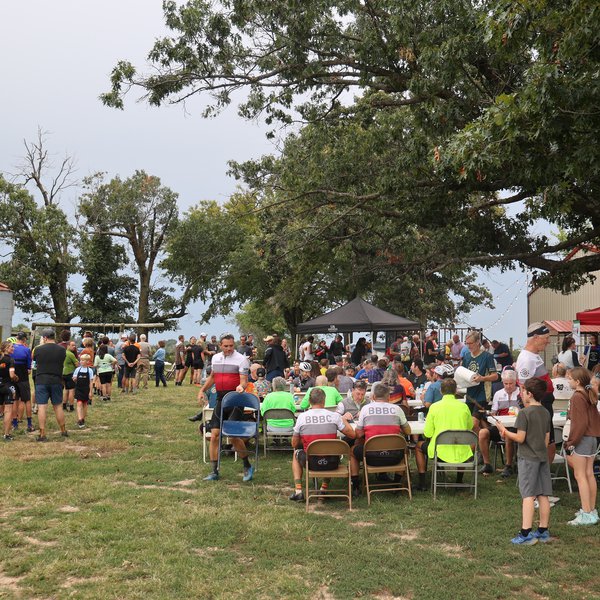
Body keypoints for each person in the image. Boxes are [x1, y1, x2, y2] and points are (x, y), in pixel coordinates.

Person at [496, 378, 552, 544]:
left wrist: (504, 431)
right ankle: (543, 530)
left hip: (528, 458)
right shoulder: (545, 412)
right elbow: (546, 439)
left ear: (530, 394)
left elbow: (520, 438)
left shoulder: (525, 413)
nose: (521, 393)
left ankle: (526, 533)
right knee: (543, 494)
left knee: (528, 495)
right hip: (542, 457)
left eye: (523, 391)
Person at [198, 334, 254, 482]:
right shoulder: (215, 358)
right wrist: (202, 390)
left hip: (236, 399)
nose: (229, 348)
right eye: (226, 346)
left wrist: (241, 387)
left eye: (231, 346)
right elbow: (212, 378)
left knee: (233, 436)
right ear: (220, 346)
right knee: (215, 434)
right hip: (221, 399)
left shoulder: (241, 360)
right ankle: (214, 471)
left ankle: (247, 465)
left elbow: (244, 381)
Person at [289, 387, 355, 501]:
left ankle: (298, 491)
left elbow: (294, 443)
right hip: (332, 462)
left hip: (310, 462)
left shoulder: (302, 417)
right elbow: (352, 435)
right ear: (324, 401)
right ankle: (323, 489)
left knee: (296, 452)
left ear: (310, 402)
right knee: (330, 450)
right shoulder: (335, 416)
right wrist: (343, 419)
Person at [350, 382, 412, 496]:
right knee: (405, 450)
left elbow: (358, 434)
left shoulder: (366, 409)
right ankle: (396, 484)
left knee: (353, 451)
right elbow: (408, 431)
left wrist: (368, 430)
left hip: (370, 457)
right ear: (389, 397)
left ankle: (355, 486)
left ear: (373, 397)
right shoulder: (397, 409)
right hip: (394, 456)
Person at [414, 378, 473, 491]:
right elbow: (469, 427)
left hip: (439, 451)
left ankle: (422, 482)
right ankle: (459, 481)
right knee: (463, 444)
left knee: (418, 446)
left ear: (441, 391)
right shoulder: (464, 407)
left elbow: (428, 433)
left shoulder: (434, 407)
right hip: (461, 451)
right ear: (456, 391)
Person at [516, 322, 556, 465]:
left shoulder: (534, 355)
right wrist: (529, 413)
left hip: (543, 404)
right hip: (539, 407)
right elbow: (524, 389)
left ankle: (544, 475)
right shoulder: (527, 359)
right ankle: (542, 476)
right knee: (548, 442)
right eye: (546, 338)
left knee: (549, 441)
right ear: (536, 337)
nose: (548, 341)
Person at [564, 367, 600, 525]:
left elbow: (580, 423)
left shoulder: (577, 396)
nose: (568, 381)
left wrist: (571, 442)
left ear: (577, 381)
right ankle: (591, 510)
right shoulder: (588, 394)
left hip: (583, 439)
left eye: (570, 378)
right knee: (588, 474)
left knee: (580, 476)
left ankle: (586, 513)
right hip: (592, 438)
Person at [479, 369, 521, 477]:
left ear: (515, 382)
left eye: (510, 383)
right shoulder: (498, 394)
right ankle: (487, 464)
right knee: (483, 433)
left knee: (508, 434)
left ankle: (508, 466)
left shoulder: (521, 393)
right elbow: (493, 412)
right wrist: (489, 414)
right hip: (500, 426)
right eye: (505, 383)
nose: (508, 386)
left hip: (516, 427)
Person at [34, 328, 68, 442]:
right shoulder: (62, 349)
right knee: (58, 406)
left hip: (41, 379)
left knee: (42, 406)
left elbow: (35, 360)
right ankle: (63, 430)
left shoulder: (38, 349)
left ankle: (42, 433)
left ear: (44, 338)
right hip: (56, 379)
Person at [462, 330, 498, 431]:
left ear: (478, 342)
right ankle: (482, 440)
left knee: (474, 423)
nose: (468, 346)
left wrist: (482, 378)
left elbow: (495, 376)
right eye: (466, 343)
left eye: (470, 343)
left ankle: (475, 444)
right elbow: (462, 372)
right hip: (469, 394)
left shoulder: (487, 356)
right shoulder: (467, 357)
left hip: (482, 394)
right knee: (469, 425)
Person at [12, 332, 34, 433]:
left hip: (12, 378)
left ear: (17, 338)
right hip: (23, 378)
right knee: (27, 401)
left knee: (14, 400)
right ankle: (29, 424)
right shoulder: (26, 350)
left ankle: (14, 423)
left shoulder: (11, 348)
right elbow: (29, 369)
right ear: (24, 339)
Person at [0, 341, 18, 441]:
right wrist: (16, 377)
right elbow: (12, 375)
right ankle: (6, 434)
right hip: (7, 387)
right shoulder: (10, 360)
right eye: (11, 347)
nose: (13, 349)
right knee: (8, 411)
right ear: (6, 348)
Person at [73, 354, 94, 428]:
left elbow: (91, 382)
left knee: (85, 404)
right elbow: (74, 378)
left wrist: (90, 392)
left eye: (83, 360)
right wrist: (74, 379)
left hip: (86, 389)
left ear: (87, 361)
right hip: (79, 388)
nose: (81, 361)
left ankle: (83, 418)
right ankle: (79, 419)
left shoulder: (90, 370)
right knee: (79, 403)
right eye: (80, 360)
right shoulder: (77, 369)